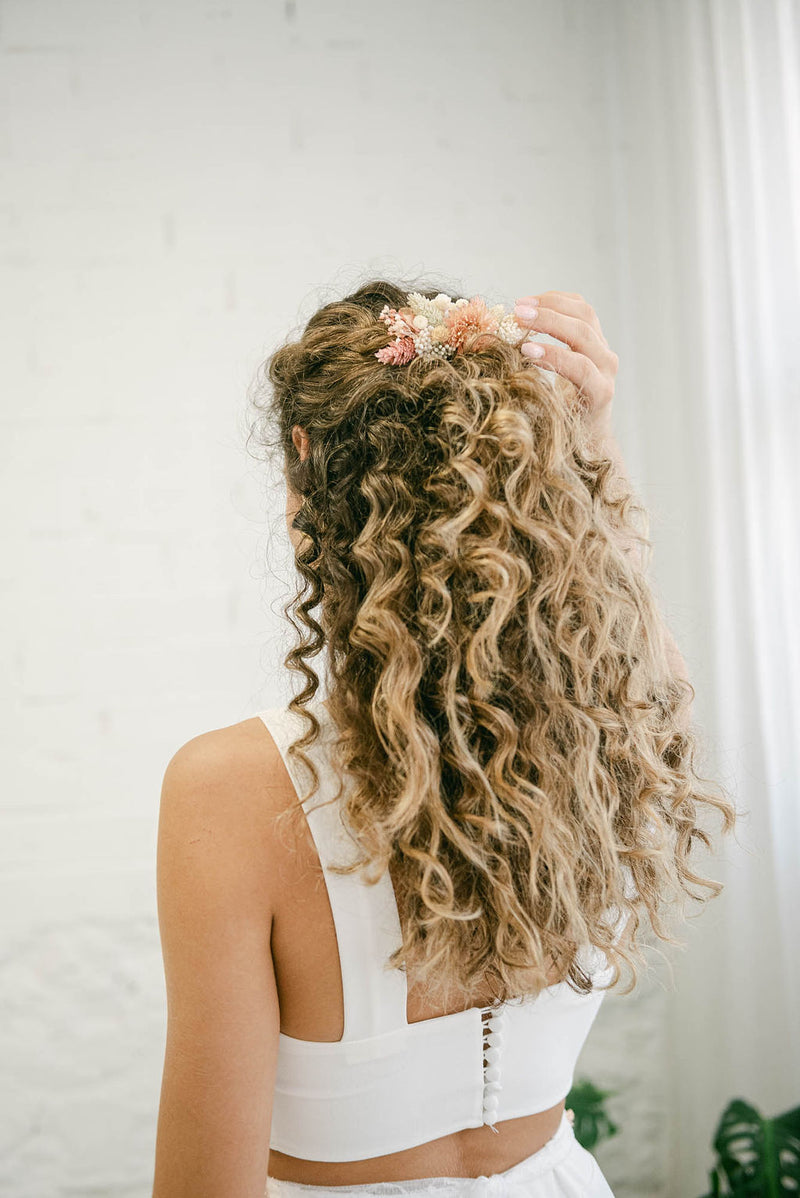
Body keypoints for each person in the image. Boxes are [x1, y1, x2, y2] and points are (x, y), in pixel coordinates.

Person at [151, 280, 737, 1197]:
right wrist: (592, 454)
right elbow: (647, 665)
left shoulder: (228, 789)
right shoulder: (600, 741)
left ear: (305, 465)